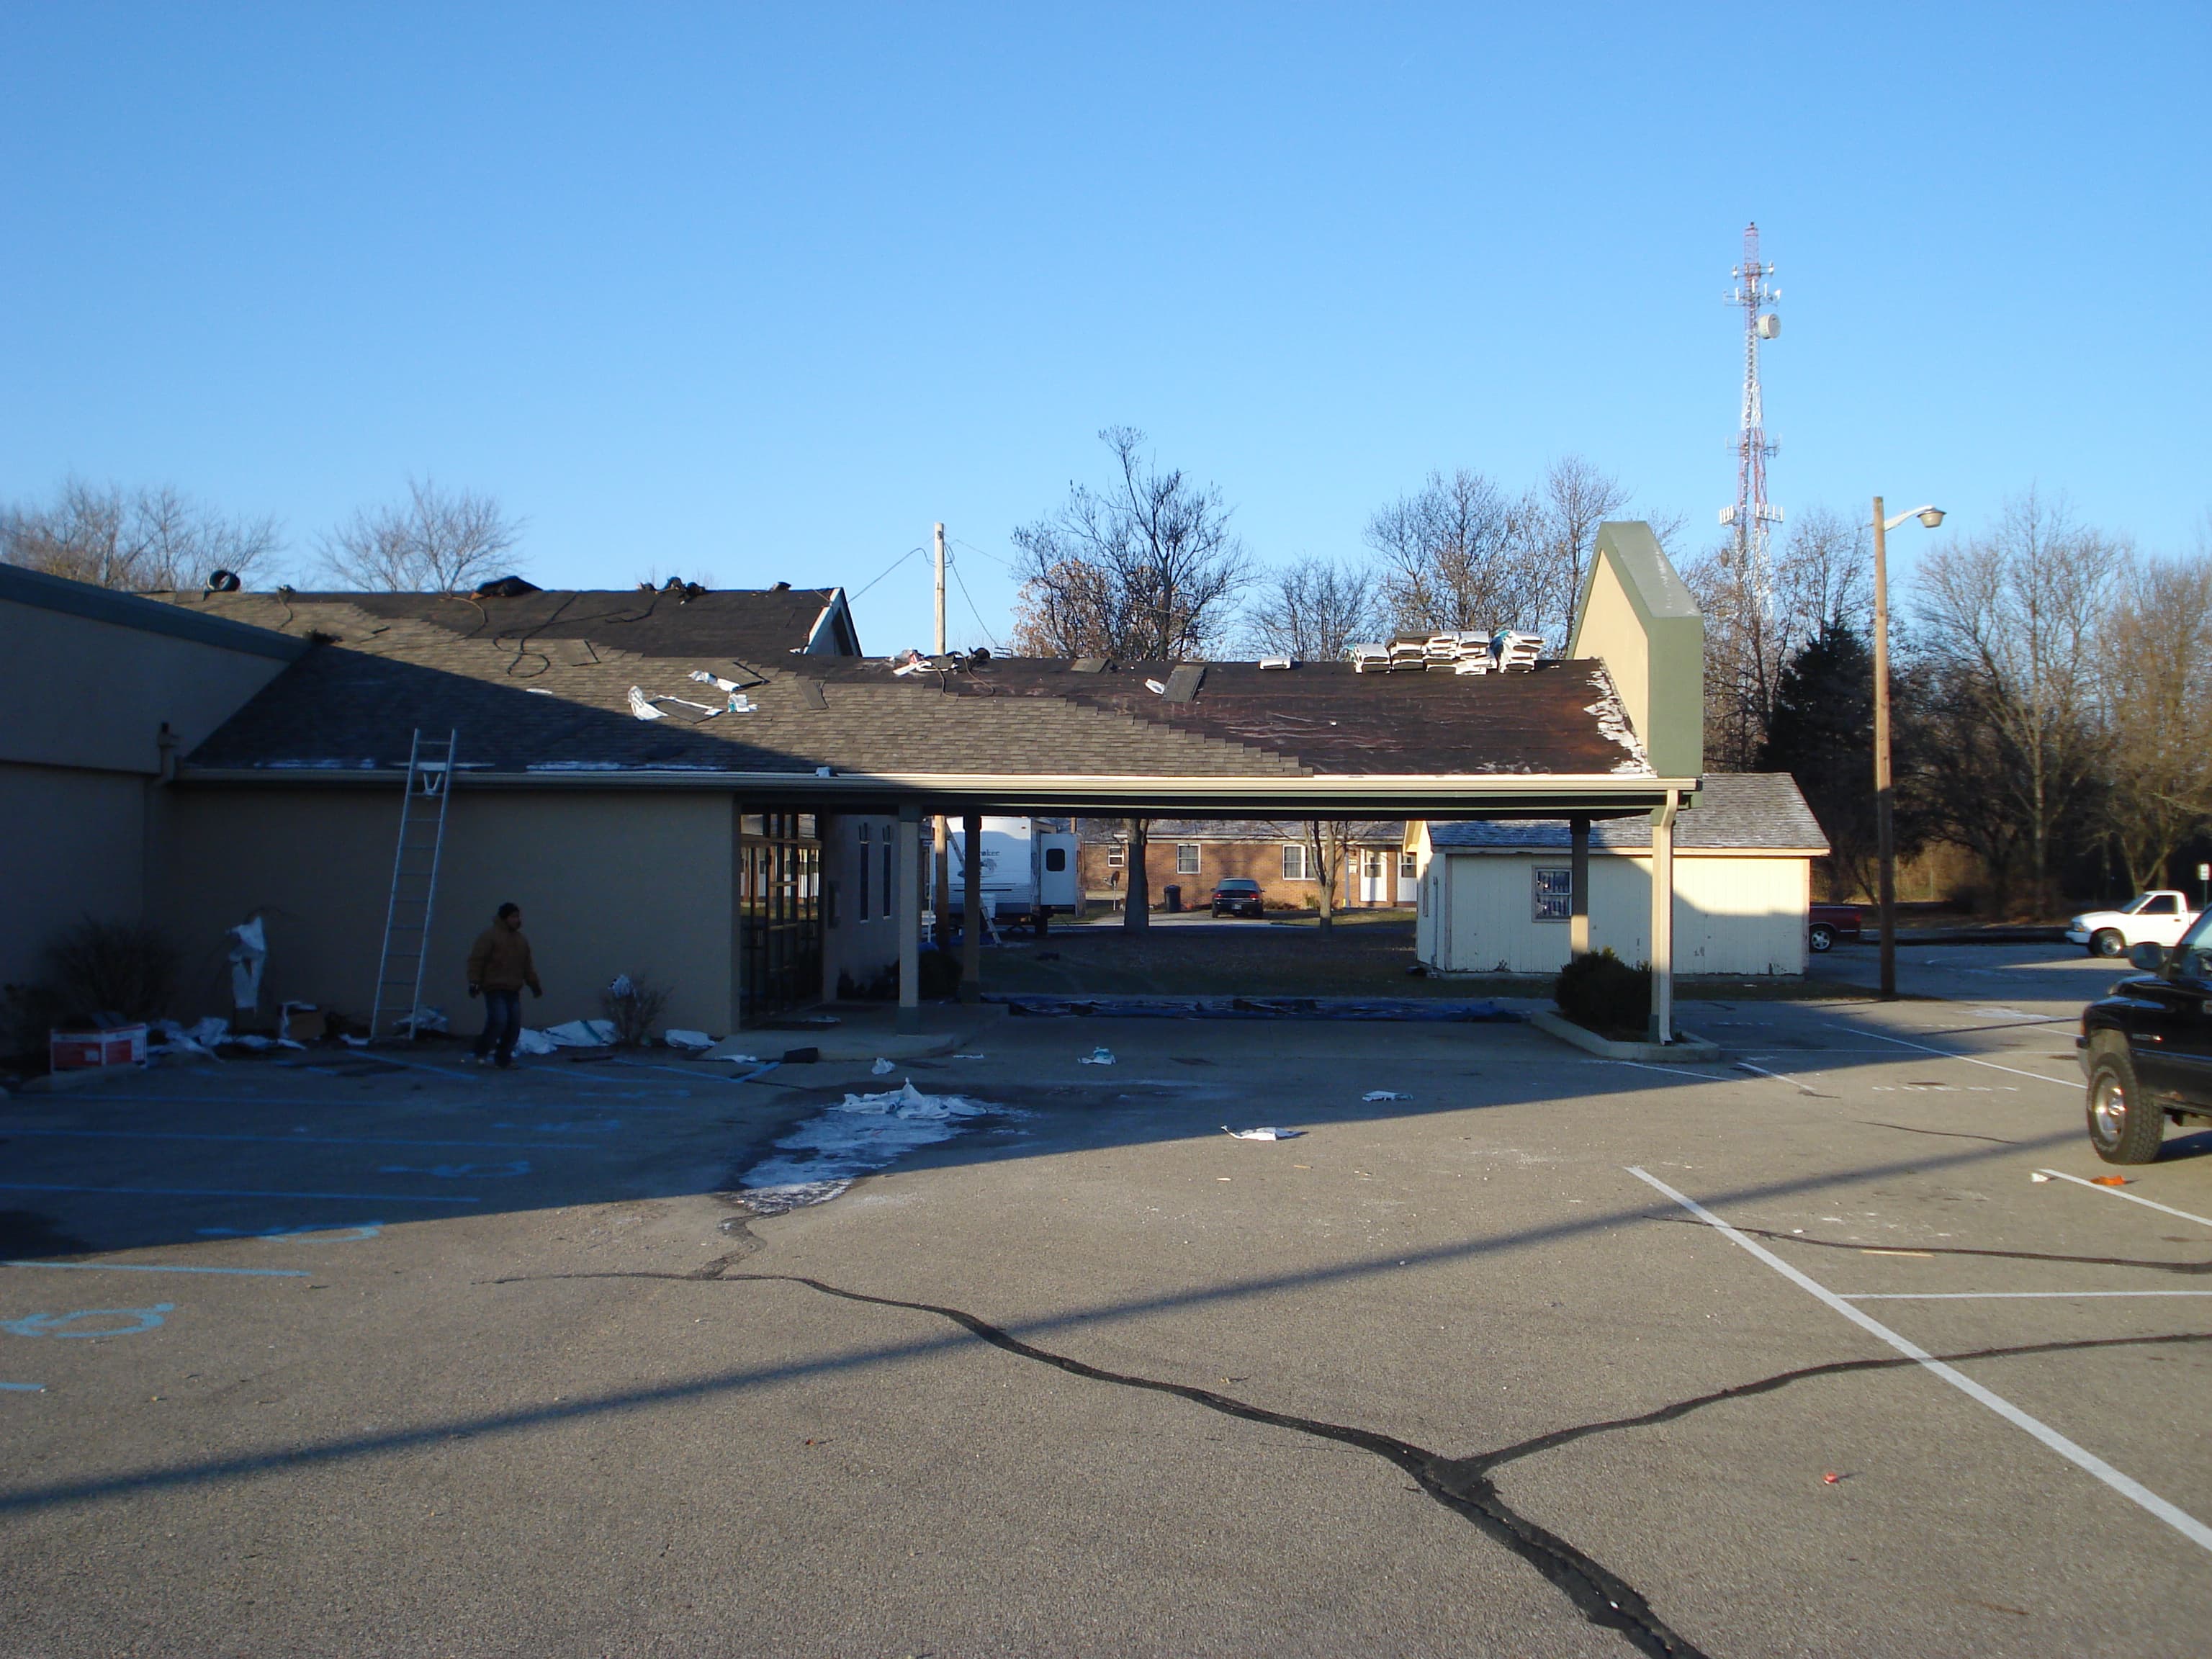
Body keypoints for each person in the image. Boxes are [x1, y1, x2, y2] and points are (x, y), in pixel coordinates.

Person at [466, 902, 542, 1068]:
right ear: (504, 918)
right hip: (494, 987)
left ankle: (503, 1058)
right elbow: (477, 960)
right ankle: (482, 1049)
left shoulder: (521, 940)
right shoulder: (490, 937)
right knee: (499, 1020)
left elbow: (527, 965)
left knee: (514, 1025)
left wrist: (534, 984)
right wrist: (474, 981)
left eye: (518, 916)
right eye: (513, 917)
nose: (517, 920)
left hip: (513, 988)